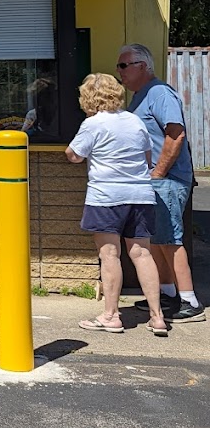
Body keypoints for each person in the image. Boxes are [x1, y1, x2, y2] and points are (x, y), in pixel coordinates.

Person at [66, 73, 168, 336]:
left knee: (110, 255)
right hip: (141, 195)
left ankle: (111, 315)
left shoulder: (93, 124)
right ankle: (157, 317)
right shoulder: (135, 121)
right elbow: (147, 159)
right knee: (142, 254)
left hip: (106, 197)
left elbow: (74, 155)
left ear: (88, 97)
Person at [117, 44, 204, 322]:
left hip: (167, 180)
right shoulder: (141, 96)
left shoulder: (159, 93)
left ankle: (190, 301)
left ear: (143, 66)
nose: (120, 71)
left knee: (169, 240)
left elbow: (175, 134)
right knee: (156, 239)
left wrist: (159, 173)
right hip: (153, 180)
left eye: (124, 65)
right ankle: (167, 294)